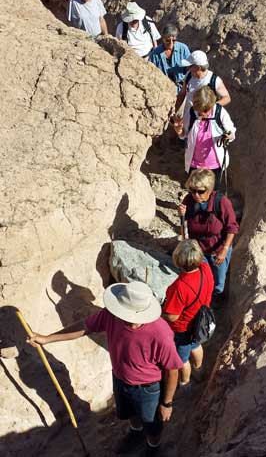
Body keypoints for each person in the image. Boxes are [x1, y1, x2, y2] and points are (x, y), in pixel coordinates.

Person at [27, 281, 182, 456]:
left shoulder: (160, 333)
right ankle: (136, 433)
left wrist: (166, 403)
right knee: (129, 412)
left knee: (152, 424)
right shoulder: (112, 315)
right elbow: (85, 327)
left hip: (147, 389)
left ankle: (153, 447)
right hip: (120, 378)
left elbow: (172, 369)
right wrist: (48, 338)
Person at [178, 169, 239, 306]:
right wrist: (181, 215)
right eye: (193, 190)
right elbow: (184, 228)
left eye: (200, 191)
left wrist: (224, 250)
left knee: (219, 282)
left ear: (210, 189)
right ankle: (203, 300)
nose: (196, 195)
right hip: (199, 249)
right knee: (202, 278)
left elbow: (232, 228)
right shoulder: (189, 200)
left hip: (218, 249)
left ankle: (216, 301)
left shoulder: (222, 202)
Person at [162, 240, 214, 386]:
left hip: (183, 328)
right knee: (196, 345)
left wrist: (161, 312)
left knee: (182, 359)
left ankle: (185, 382)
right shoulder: (205, 268)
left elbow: (172, 316)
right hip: (200, 321)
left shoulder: (179, 286)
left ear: (178, 261)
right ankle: (199, 368)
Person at [173, 86, 236, 184]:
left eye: (206, 111)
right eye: (199, 111)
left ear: (211, 105)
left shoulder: (219, 112)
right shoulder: (191, 113)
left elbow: (231, 131)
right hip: (194, 164)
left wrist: (228, 135)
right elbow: (184, 135)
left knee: (212, 195)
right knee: (196, 192)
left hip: (215, 165)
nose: (202, 113)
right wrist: (179, 130)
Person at [175, 50, 231, 128]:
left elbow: (227, 98)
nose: (189, 68)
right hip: (189, 120)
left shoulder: (213, 80)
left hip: (205, 124)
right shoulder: (189, 75)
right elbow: (182, 94)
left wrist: (210, 107)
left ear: (198, 67)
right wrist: (176, 112)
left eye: (191, 66)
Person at [149, 24, 190, 91]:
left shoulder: (183, 49)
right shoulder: (155, 54)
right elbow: (151, 72)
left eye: (173, 40)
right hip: (163, 89)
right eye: (168, 40)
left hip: (182, 88)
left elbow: (190, 68)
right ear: (163, 39)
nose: (171, 43)